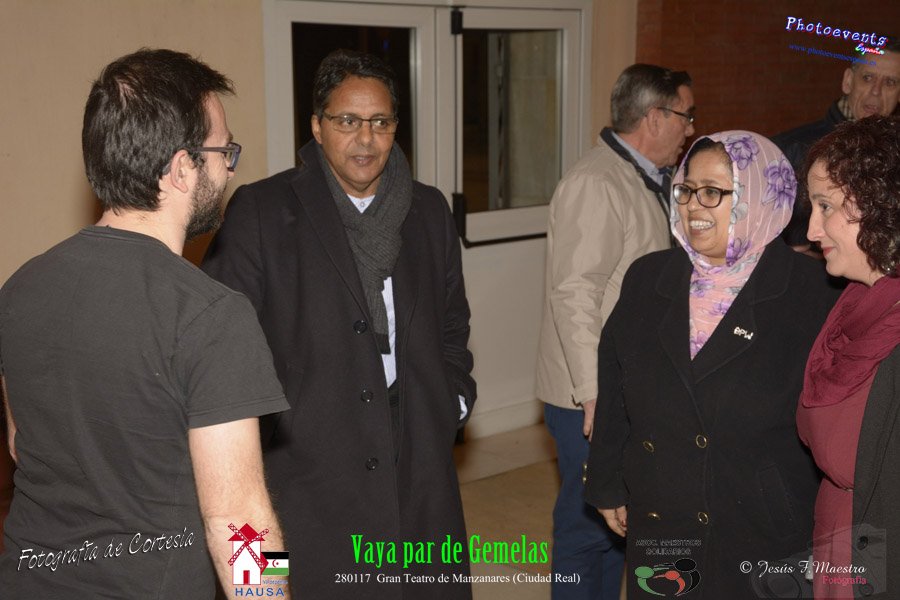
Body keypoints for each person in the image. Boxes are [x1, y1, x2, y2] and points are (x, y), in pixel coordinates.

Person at [0, 49, 290, 597]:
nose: (229, 168)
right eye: (223, 151)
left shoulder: (19, 289)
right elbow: (239, 522)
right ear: (181, 168)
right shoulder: (210, 315)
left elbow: (22, 445)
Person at [202, 49, 476, 599]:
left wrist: (453, 400)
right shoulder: (262, 211)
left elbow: (453, 324)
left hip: (417, 449)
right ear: (317, 126)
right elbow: (220, 346)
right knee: (291, 588)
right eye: (347, 121)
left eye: (381, 122)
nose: (366, 139)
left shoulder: (428, 210)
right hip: (306, 455)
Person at [585, 131, 840, 598]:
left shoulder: (814, 293)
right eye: (686, 190)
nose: (692, 206)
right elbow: (617, 386)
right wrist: (606, 481)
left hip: (761, 525)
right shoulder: (648, 277)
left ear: (761, 197)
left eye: (713, 192)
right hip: (664, 516)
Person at [535, 63, 694, 599]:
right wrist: (593, 394)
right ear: (655, 117)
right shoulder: (596, 182)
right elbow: (575, 292)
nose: (690, 128)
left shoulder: (649, 177)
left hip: (624, 386)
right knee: (586, 528)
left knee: (616, 526)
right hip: (590, 395)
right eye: (686, 115)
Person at [797, 115, 900, 600]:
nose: (811, 229)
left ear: (877, 205)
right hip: (839, 534)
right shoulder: (854, 303)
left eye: (826, 206)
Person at [773, 37, 900, 251]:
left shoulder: (895, 155)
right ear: (848, 81)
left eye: (890, 82)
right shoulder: (790, 150)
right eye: (868, 78)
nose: (876, 91)